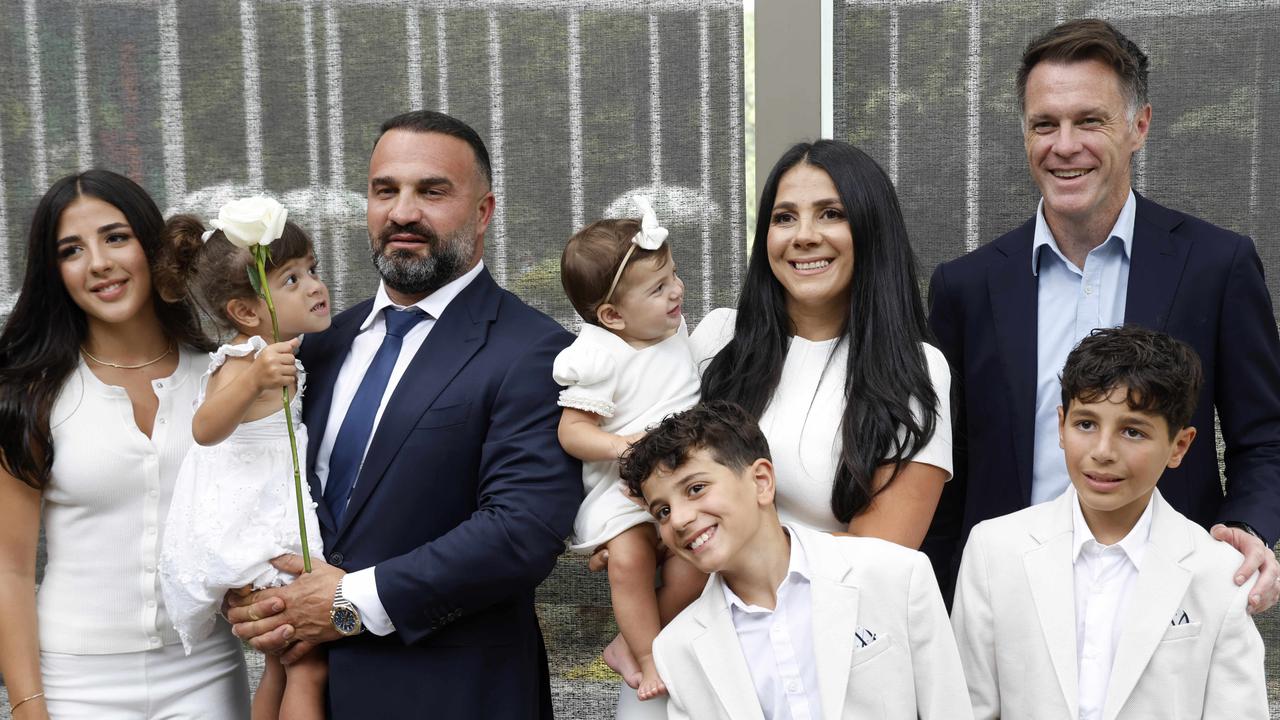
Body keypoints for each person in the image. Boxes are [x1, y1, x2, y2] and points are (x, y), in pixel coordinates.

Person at [224, 109, 581, 718]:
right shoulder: (316, 344)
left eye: (431, 191)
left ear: (484, 212)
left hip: (453, 695)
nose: (402, 212)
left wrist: (349, 603)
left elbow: (521, 530)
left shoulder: (533, 349)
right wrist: (251, 594)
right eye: (384, 190)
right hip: (306, 691)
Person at [925, 18, 1280, 611]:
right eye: (1045, 124)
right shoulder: (965, 286)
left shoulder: (1217, 265)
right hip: (1009, 603)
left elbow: (1266, 437)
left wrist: (1245, 530)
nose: (1065, 145)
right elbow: (942, 470)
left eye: (1090, 120)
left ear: (1138, 126)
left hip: (1171, 601)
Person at [0, 170, 249, 718]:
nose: (99, 263)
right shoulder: (31, 395)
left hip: (205, 670)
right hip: (73, 683)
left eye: (116, 237)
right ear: (54, 272)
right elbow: (8, 568)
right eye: (71, 250)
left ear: (150, 245)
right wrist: (27, 705)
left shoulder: (224, 377)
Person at [951, 326, 1267, 719]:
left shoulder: (1219, 573)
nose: (1102, 452)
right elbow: (967, 706)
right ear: (1061, 425)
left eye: (1132, 431)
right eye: (1086, 424)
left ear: (1179, 446)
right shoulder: (994, 549)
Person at [621, 401, 972, 720]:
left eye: (695, 488)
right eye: (662, 511)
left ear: (761, 482)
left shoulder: (896, 574)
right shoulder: (676, 650)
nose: (679, 519)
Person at [693, 139, 952, 546]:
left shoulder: (914, 367)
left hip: (832, 607)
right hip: (697, 605)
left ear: (871, 228)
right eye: (784, 218)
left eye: (831, 214)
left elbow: (881, 555)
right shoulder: (717, 337)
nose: (804, 236)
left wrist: (729, 544)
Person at [157, 211, 329, 720]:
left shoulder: (268, 351)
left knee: (281, 665)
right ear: (245, 311)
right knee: (308, 665)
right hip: (260, 534)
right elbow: (205, 428)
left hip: (262, 522)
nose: (315, 287)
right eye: (291, 280)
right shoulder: (247, 360)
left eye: (312, 270)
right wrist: (254, 380)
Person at [555, 198, 705, 701]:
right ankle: (647, 656)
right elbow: (573, 432)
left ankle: (630, 641)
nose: (676, 291)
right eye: (659, 287)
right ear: (613, 315)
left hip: (679, 484)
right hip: (623, 490)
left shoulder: (672, 329)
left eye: (674, 276)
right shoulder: (598, 356)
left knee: (694, 567)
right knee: (629, 562)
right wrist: (623, 447)